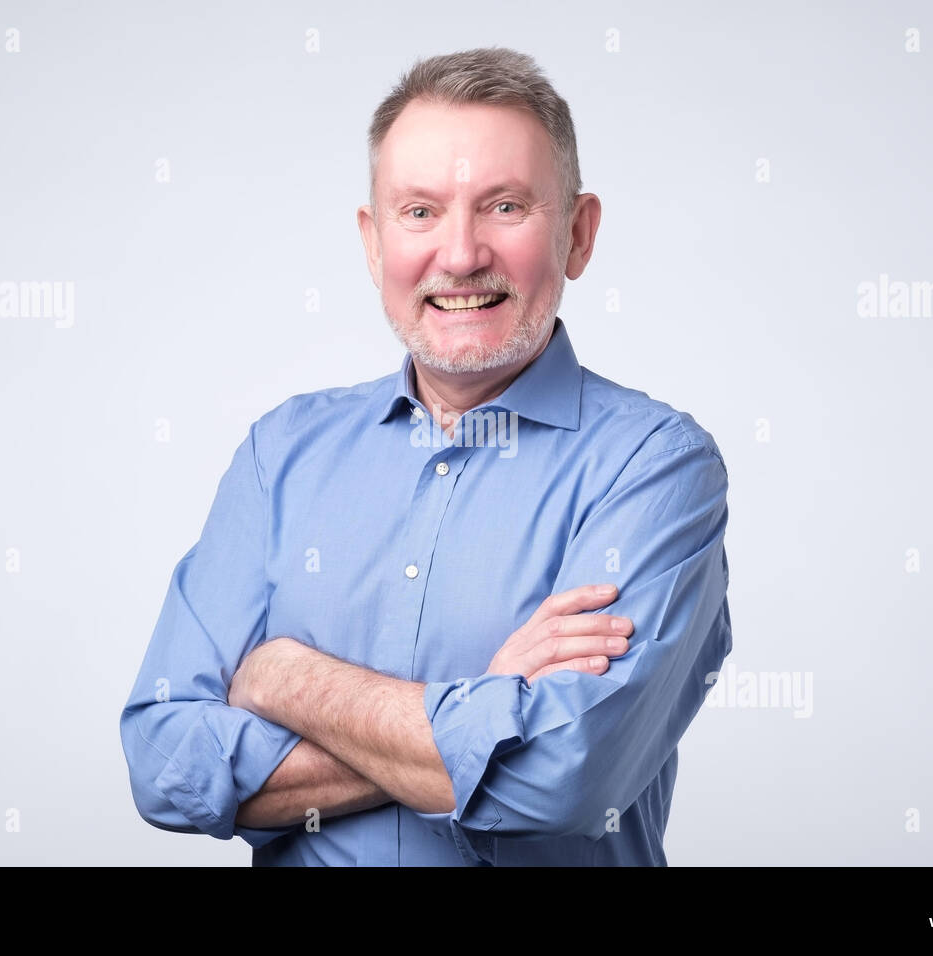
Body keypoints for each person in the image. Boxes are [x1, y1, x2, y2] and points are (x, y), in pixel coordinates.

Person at [119, 46, 733, 866]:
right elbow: (163, 764)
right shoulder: (282, 456)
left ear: (579, 236)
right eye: (420, 212)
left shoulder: (656, 468)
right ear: (374, 244)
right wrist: (487, 708)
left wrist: (288, 680)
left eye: (506, 207)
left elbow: (562, 780)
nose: (460, 255)